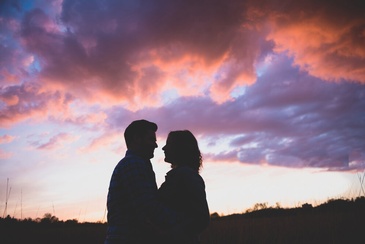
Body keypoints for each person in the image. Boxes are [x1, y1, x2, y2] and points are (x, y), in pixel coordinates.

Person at [105, 119, 181, 244]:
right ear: (136, 139)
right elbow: (148, 208)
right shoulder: (133, 164)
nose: (155, 145)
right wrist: (184, 220)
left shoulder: (137, 164)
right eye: (151, 140)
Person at [159, 130, 210, 243]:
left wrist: (169, 234)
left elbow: (202, 218)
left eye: (168, 144)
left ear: (179, 148)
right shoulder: (181, 175)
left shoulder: (187, 175)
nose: (163, 148)